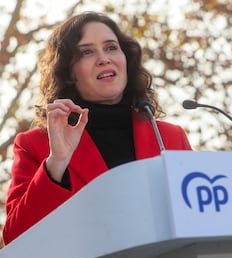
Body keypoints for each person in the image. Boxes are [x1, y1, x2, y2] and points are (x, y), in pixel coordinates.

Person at [2, 11, 192, 245]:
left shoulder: (170, 137)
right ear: (69, 73)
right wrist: (57, 162)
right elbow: (15, 238)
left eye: (111, 47)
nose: (103, 58)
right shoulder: (36, 145)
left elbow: (198, 219)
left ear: (126, 59)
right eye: (86, 52)